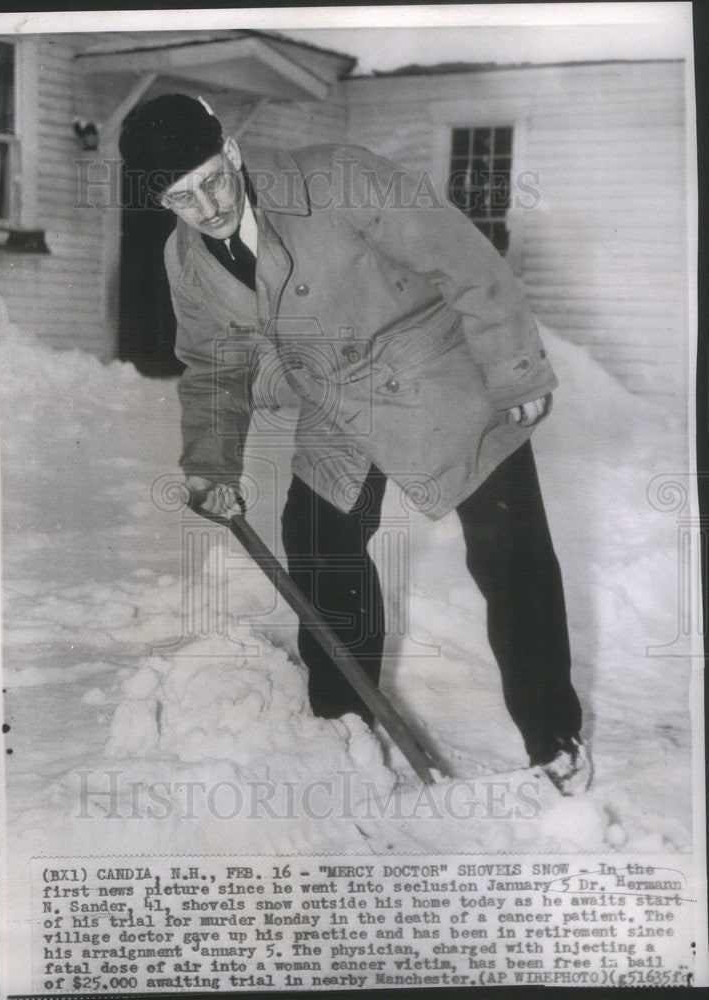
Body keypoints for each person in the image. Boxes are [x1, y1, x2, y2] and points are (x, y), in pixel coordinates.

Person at [118, 94, 592, 796]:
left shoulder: (338, 176)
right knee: (315, 537)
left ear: (235, 154)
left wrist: (516, 367)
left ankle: (555, 744)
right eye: (182, 198)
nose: (209, 206)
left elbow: (462, 259)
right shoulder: (186, 262)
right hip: (335, 404)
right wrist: (210, 465)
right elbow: (216, 369)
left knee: (508, 553)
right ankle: (344, 731)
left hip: (439, 375)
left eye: (213, 180)